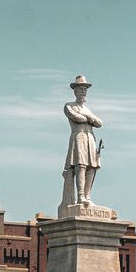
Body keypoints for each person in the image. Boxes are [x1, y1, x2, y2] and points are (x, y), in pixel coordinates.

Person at [61, 75, 103, 210]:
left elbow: (99, 123)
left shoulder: (87, 109)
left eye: (85, 89)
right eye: (81, 89)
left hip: (90, 137)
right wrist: (90, 119)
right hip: (78, 136)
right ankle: (80, 196)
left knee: (92, 167)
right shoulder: (69, 106)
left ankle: (88, 196)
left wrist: (89, 117)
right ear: (75, 91)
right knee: (81, 165)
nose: (83, 91)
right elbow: (77, 118)